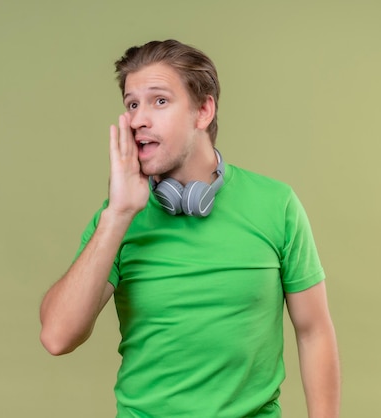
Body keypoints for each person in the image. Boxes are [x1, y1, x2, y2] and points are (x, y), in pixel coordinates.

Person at [39, 39, 340, 418]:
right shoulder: (116, 218)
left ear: (203, 111)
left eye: (159, 101)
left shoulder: (276, 204)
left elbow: (314, 331)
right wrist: (117, 215)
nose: (137, 119)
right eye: (132, 104)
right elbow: (56, 337)